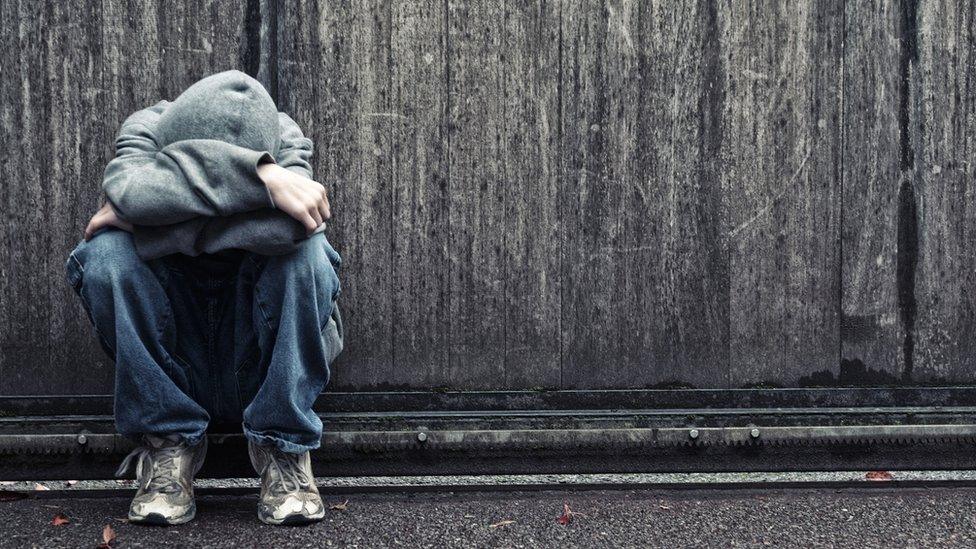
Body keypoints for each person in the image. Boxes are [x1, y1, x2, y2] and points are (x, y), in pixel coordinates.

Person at [64, 70, 344, 526]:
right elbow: (131, 193)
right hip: (177, 349)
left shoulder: (282, 132)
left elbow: (295, 227)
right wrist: (262, 181)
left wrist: (157, 218)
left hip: (257, 346)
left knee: (307, 254)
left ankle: (282, 447)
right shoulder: (148, 127)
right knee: (106, 255)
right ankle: (168, 443)